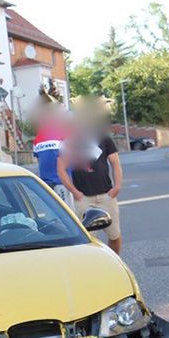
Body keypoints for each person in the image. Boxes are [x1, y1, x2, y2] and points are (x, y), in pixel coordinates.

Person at [58, 108, 123, 255]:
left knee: (115, 235)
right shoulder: (69, 143)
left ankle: (114, 261)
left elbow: (115, 163)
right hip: (84, 199)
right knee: (88, 241)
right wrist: (74, 192)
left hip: (106, 196)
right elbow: (61, 169)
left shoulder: (103, 138)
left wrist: (117, 186)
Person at [31, 91, 71, 199]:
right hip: (58, 183)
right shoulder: (64, 134)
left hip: (51, 184)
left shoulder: (38, 138)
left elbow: (40, 160)